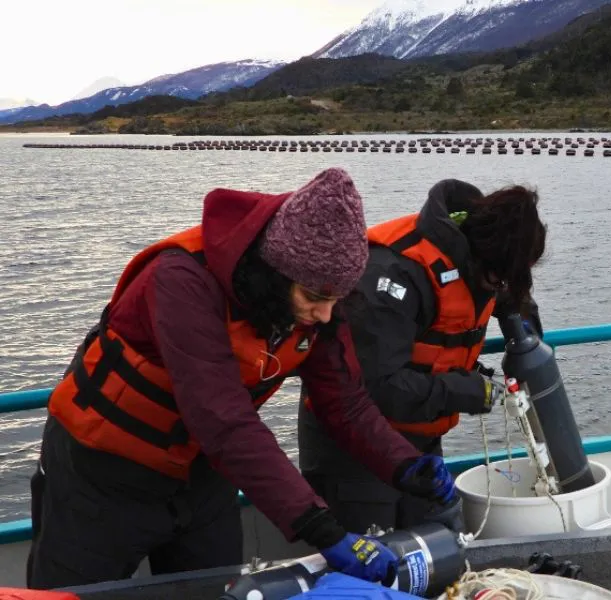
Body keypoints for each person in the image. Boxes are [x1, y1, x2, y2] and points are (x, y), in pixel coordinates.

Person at [26, 168, 458, 589]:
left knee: (218, 591)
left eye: (337, 299)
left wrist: (406, 465)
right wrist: (322, 529)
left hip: (201, 479)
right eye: (315, 298)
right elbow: (223, 420)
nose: (327, 315)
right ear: (275, 271)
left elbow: (345, 403)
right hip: (99, 476)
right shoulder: (179, 280)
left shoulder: (316, 297)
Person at [298, 179, 547, 535]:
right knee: (372, 575)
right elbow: (372, 389)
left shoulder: (484, 260)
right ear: (480, 258)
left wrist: (525, 331)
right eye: (500, 279)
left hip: (420, 440)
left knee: (433, 556)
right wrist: (465, 391)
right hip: (354, 452)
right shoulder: (395, 273)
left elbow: (509, 293)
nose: (501, 287)